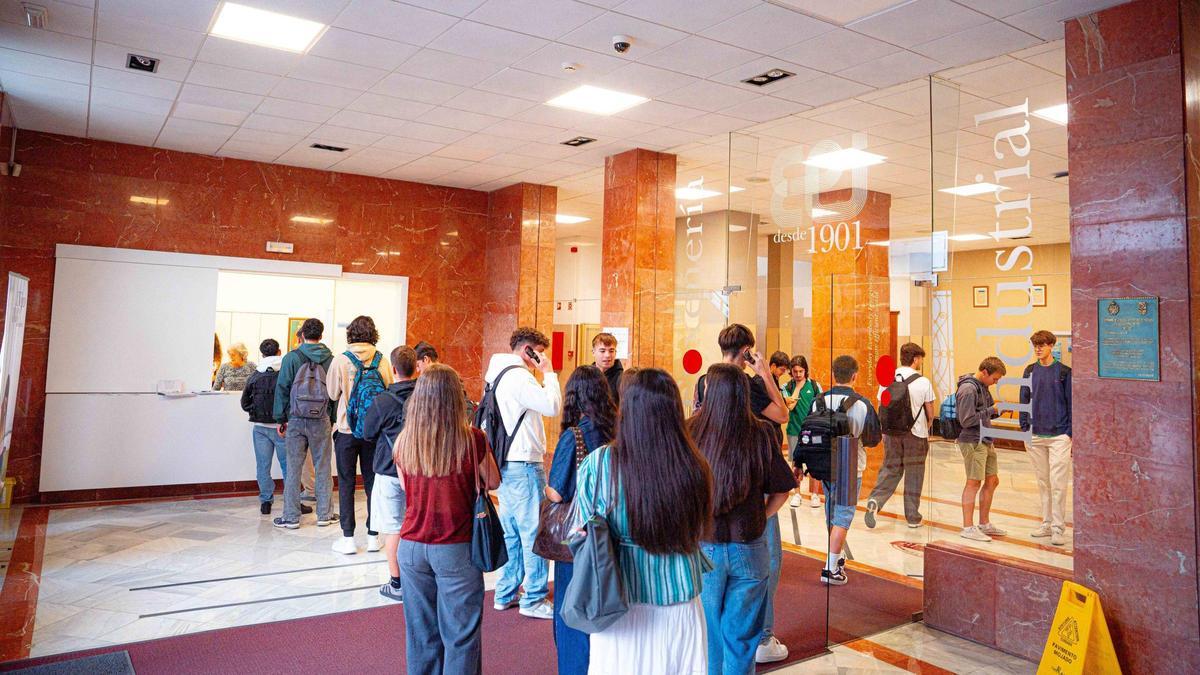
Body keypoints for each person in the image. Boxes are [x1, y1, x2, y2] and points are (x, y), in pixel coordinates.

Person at [576, 368, 712, 674]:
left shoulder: (600, 464)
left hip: (619, 603)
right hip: (681, 602)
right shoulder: (695, 466)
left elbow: (581, 531)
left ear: (626, 411)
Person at [394, 364, 501, 675]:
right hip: (456, 545)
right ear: (456, 398)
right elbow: (493, 481)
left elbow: (407, 488)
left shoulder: (405, 441)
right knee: (461, 635)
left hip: (411, 546)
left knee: (421, 635)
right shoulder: (472, 439)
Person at [690, 364, 796, 675]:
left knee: (708, 633)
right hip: (749, 545)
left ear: (709, 391)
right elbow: (782, 488)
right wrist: (761, 515)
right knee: (743, 637)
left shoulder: (691, 430)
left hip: (704, 546)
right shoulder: (760, 432)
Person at [486, 327, 561, 620]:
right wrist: (549, 372)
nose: (541, 357)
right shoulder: (519, 376)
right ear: (528, 350)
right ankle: (534, 597)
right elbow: (552, 406)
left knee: (512, 533)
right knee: (534, 532)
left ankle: (505, 592)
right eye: (539, 352)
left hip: (505, 463)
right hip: (525, 464)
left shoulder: (496, 373)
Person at [545, 365, 616, 675]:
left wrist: (544, 489)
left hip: (578, 539)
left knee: (573, 612)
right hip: (613, 533)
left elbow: (557, 492)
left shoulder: (574, 435)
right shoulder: (617, 432)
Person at [326, 316, 396, 555]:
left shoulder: (341, 360)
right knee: (372, 483)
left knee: (346, 482)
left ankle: (348, 539)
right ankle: (373, 537)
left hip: (346, 430)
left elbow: (332, 394)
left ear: (351, 334)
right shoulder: (382, 360)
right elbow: (388, 391)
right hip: (373, 432)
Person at [810, 355, 882, 586]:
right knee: (843, 514)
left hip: (823, 463)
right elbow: (873, 439)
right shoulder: (863, 404)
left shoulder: (818, 401)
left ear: (833, 374)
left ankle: (837, 555)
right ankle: (830, 568)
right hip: (850, 463)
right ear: (855, 376)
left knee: (831, 511)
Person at [363, 345, 418, 601]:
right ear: (416, 367)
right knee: (418, 524)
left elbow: (368, 433)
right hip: (421, 470)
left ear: (393, 369)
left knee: (393, 527)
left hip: (389, 469)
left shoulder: (382, 400)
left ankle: (397, 583)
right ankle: (418, 579)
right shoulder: (424, 396)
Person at [272, 318, 336, 530]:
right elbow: (335, 392)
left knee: (293, 468)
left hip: (296, 419)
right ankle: (325, 515)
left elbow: (282, 388)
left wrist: (281, 419)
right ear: (321, 335)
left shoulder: (291, 358)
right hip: (321, 419)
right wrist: (331, 418)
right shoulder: (331, 359)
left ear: (302, 335)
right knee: (323, 467)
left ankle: (291, 517)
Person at [865, 343, 937, 530]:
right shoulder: (923, 382)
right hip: (915, 434)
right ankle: (912, 517)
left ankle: (875, 500)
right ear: (916, 359)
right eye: (920, 359)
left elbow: (881, 406)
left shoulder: (887, 379)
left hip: (891, 433)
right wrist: (927, 426)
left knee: (890, 469)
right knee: (914, 474)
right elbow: (930, 412)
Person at [240, 339, 310, 516]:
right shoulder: (286, 373)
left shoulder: (255, 375)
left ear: (262, 354)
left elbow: (244, 403)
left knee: (263, 466)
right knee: (289, 467)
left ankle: (265, 502)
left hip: (260, 428)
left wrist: (255, 411)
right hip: (283, 427)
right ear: (279, 352)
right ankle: (293, 502)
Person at [1020, 331, 1072, 547]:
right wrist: (1025, 428)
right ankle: (1046, 523)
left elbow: (1071, 403)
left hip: (1059, 435)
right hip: (1035, 435)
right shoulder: (1030, 371)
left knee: (1058, 483)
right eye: (1035, 345)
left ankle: (1058, 528)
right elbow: (1024, 400)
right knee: (1043, 482)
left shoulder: (1064, 372)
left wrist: (1069, 432)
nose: (1038, 349)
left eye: (1042, 345)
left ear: (1052, 345)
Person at [956, 357, 1007, 542]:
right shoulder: (968, 389)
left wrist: (998, 410)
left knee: (992, 480)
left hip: (985, 439)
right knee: (973, 482)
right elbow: (966, 420)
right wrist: (992, 410)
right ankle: (968, 527)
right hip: (973, 441)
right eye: (995, 379)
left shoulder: (983, 387)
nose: (995, 382)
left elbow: (986, 412)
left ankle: (984, 523)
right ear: (985, 372)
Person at [782, 355, 822, 510]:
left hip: (813, 431)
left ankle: (815, 494)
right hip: (794, 430)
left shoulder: (815, 386)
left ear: (806, 370)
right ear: (791, 372)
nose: (798, 374)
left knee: (815, 461)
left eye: (801, 371)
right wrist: (797, 388)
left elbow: (821, 407)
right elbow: (790, 406)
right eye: (795, 371)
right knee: (795, 462)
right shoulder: (787, 387)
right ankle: (797, 494)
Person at [591, 332, 624, 404]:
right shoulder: (586, 376)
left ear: (615, 353)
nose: (607, 355)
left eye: (611, 351)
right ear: (593, 352)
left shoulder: (622, 379)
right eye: (602, 351)